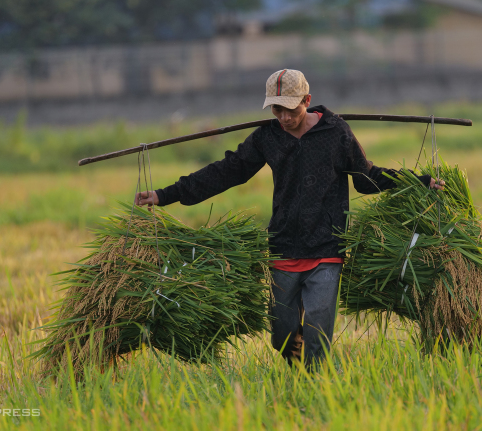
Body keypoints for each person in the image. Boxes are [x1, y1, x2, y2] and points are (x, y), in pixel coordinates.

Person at [135, 69, 445, 369]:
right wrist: (166, 194)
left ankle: (314, 386)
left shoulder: (336, 132)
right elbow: (227, 171)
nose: (284, 117)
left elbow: (366, 177)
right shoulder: (267, 137)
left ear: (306, 100)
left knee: (316, 330)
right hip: (283, 244)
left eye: (290, 109)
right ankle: (297, 372)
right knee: (282, 335)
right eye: (276, 109)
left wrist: (418, 181)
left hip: (327, 245)